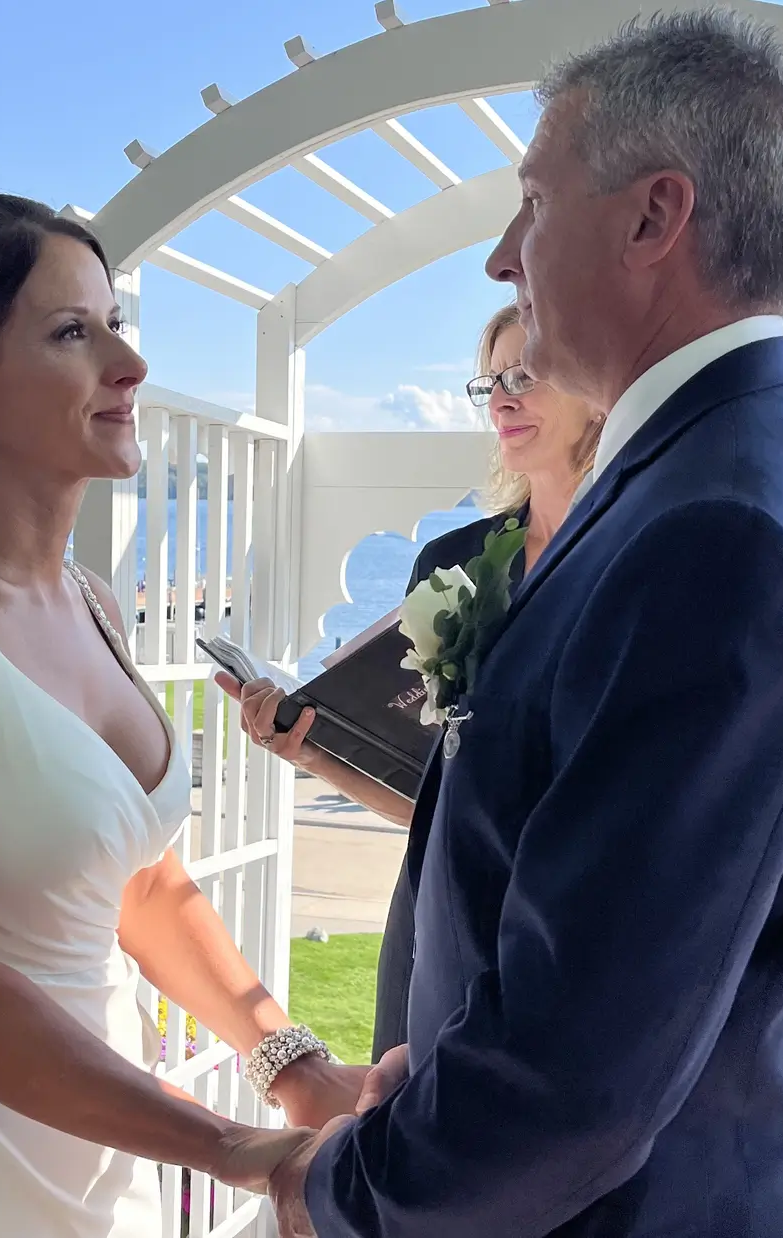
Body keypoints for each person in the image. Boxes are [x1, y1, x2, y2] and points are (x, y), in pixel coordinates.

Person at [274, 12, 783, 1238]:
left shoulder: (714, 528)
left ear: (651, 218)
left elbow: (582, 1068)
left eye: (531, 201)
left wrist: (333, 1190)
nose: (501, 258)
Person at [0, 191, 363, 1238]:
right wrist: (229, 1147)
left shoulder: (91, 598)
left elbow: (137, 877)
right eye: (69, 332)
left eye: (114, 323)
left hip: (94, 1143)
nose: (128, 364)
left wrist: (295, 1066)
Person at [221, 301, 601, 1061]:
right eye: (489, 381)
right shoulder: (452, 566)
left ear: (597, 385)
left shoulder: (637, 554)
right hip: (439, 921)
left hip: (579, 930)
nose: (502, 397)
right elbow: (434, 805)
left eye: (526, 373)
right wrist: (314, 753)